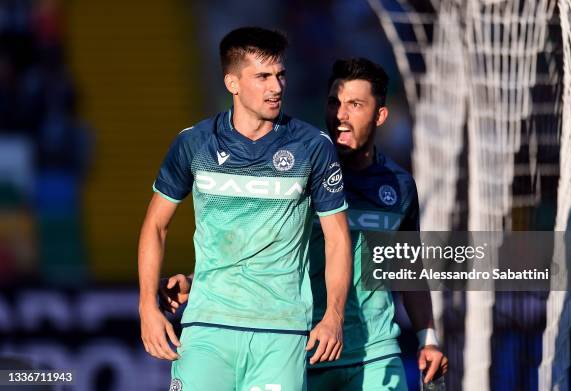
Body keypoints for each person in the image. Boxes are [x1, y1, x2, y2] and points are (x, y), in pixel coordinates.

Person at [160, 58, 449, 390]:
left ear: (380, 115)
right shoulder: (295, 172)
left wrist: (428, 338)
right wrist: (198, 281)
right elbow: (255, 248)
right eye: (334, 103)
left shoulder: (399, 186)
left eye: (355, 105)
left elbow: (408, 270)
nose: (340, 115)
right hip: (306, 345)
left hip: (375, 350)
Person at [138, 27, 352, 391]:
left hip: (281, 329)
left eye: (281, 75)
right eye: (263, 77)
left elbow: (337, 239)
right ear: (232, 83)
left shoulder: (313, 147)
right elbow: (156, 226)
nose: (276, 87)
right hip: (207, 324)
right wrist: (147, 307)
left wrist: (333, 316)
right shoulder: (194, 143)